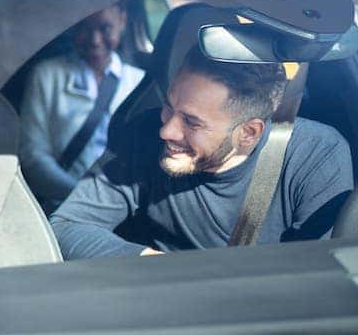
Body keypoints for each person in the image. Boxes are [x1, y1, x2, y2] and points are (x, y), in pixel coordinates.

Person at [50, 48, 354, 259]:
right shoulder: (143, 134)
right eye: (169, 106)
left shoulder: (316, 156)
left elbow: (318, 275)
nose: (166, 131)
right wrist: (162, 268)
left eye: (191, 122)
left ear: (249, 133)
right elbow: (65, 227)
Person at [18, 4, 144, 210]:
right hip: (64, 204)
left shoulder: (138, 82)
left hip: (127, 206)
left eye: (105, 28)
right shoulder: (47, 75)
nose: (94, 40)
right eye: (84, 28)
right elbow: (33, 155)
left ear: (122, 21)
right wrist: (80, 196)